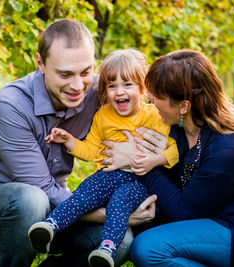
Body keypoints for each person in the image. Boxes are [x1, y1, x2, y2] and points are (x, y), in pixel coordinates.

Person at [0, 19, 155, 267]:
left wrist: (138, 152)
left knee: (120, 242)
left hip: (53, 209)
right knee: (31, 199)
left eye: (85, 71)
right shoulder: (11, 105)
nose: (77, 85)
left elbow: (151, 102)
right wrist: (114, 214)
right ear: (40, 63)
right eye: (65, 74)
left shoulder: (98, 90)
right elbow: (43, 189)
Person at [105, 49, 234, 266]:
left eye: (157, 96)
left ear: (184, 105)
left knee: (148, 249)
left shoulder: (230, 148)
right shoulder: (180, 125)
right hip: (214, 217)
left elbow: (183, 211)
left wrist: (142, 163)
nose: (149, 98)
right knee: (140, 223)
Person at [27, 48, 179, 267]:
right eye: (112, 86)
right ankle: (50, 226)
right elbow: (91, 150)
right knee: (84, 193)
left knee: (120, 202)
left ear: (142, 88)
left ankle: (107, 248)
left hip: (139, 180)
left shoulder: (154, 116)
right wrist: (69, 140)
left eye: (127, 85)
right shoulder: (103, 115)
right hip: (106, 176)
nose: (119, 92)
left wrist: (153, 160)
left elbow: (174, 151)